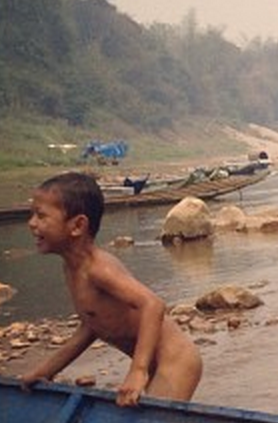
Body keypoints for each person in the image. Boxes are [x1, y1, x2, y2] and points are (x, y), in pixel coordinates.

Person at [21, 171, 203, 406]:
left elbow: (153, 305)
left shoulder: (98, 269)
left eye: (41, 216)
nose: (32, 223)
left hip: (176, 360)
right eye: (32, 215)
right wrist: (45, 371)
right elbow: (91, 327)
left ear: (77, 225)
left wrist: (138, 370)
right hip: (153, 360)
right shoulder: (72, 269)